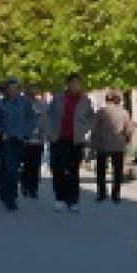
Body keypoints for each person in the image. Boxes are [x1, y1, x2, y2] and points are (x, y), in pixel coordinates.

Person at [43, 73, 95, 213]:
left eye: (77, 83)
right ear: (67, 84)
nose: (75, 85)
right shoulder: (58, 98)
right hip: (58, 138)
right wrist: (49, 132)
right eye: (72, 83)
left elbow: (92, 117)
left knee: (73, 170)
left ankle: (73, 200)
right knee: (58, 168)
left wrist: (85, 128)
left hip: (75, 139)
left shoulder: (85, 100)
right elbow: (48, 115)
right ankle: (60, 197)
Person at [0, 78, 36, 211]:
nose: (13, 91)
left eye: (16, 88)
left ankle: (9, 195)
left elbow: (31, 118)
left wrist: (27, 132)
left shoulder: (25, 102)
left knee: (14, 168)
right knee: (7, 168)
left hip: (20, 139)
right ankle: (9, 197)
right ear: (6, 90)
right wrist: (1, 132)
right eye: (10, 89)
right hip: (6, 140)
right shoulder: (1, 104)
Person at [90, 90, 134, 204]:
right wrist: (127, 141)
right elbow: (129, 130)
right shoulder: (124, 113)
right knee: (117, 171)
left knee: (101, 170)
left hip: (102, 145)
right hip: (118, 145)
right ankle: (116, 194)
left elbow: (94, 130)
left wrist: (92, 145)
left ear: (106, 99)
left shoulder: (100, 112)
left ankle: (101, 193)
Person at [21, 85, 48, 200]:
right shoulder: (22, 104)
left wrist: (44, 134)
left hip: (38, 139)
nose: (33, 92)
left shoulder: (43, 105)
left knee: (36, 164)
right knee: (26, 164)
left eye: (34, 90)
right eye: (30, 90)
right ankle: (25, 186)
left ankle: (34, 188)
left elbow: (46, 120)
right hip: (25, 139)